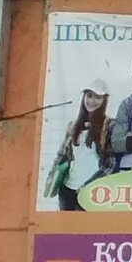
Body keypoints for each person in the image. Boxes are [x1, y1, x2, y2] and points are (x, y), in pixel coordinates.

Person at [46, 80, 110, 211]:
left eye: (97, 97)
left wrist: (88, 185)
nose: (92, 101)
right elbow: (62, 155)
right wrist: (51, 179)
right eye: (89, 95)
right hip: (67, 190)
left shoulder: (109, 126)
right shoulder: (73, 125)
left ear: (104, 100)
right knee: (66, 230)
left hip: (93, 192)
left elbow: (110, 164)